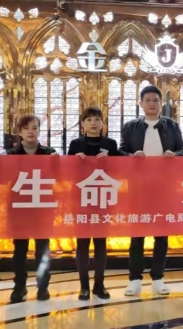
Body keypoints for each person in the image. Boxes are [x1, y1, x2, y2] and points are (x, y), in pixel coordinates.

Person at [120, 85, 183, 296]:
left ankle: (158, 278)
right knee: (137, 235)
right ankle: (134, 279)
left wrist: (174, 154)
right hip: (138, 188)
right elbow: (120, 152)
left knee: (161, 235)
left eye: (155, 100)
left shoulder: (172, 126)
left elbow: (182, 150)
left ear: (161, 103)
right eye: (147, 100)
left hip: (164, 188)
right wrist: (131, 156)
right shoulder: (130, 127)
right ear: (140, 103)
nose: (151, 104)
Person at [68, 105, 120, 301]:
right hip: (81, 199)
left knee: (100, 242)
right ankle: (83, 286)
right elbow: (67, 172)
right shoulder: (75, 144)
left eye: (97, 119)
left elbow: (120, 170)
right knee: (82, 243)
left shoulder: (111, 144)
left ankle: (99, 284)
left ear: (102, 123)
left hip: (103, 199)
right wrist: (73, 160)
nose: (93, 123)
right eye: (89, 120)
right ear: (83, 124)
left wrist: (111, 159)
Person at [7, 114, 57, 304]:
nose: (31, 131)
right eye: (26, 128)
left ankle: (43, 287)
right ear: (20, 132)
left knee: (42, 249)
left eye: (34, 128)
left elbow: (59, 177)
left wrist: (57, 163)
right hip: (19, 207)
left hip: (43, 207)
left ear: (39, 131)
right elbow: (2, 179)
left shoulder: (49, 153)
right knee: (20, 249)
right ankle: (19, 287)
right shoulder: (11, 155)